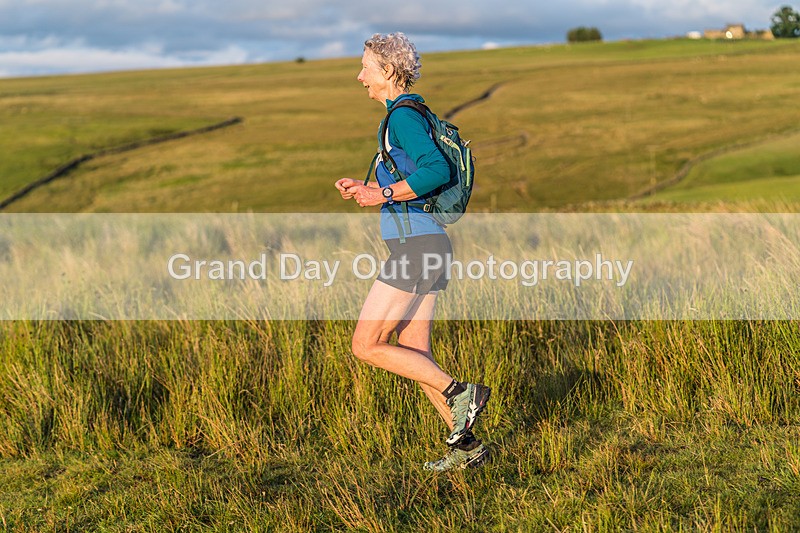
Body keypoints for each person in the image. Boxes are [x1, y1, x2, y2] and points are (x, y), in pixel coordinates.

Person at [334, 32, 491, 471]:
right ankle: (467, 450)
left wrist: (381, 193)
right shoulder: (410, 115)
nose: (360, 76)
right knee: (413, 349)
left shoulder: (402, 117)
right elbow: (414, 179)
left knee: (366, 344)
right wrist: (370, 187)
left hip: (417, 248)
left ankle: (462, 393)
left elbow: (435, 170)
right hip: (430, 244)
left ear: (387, 71)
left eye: (366, 67)